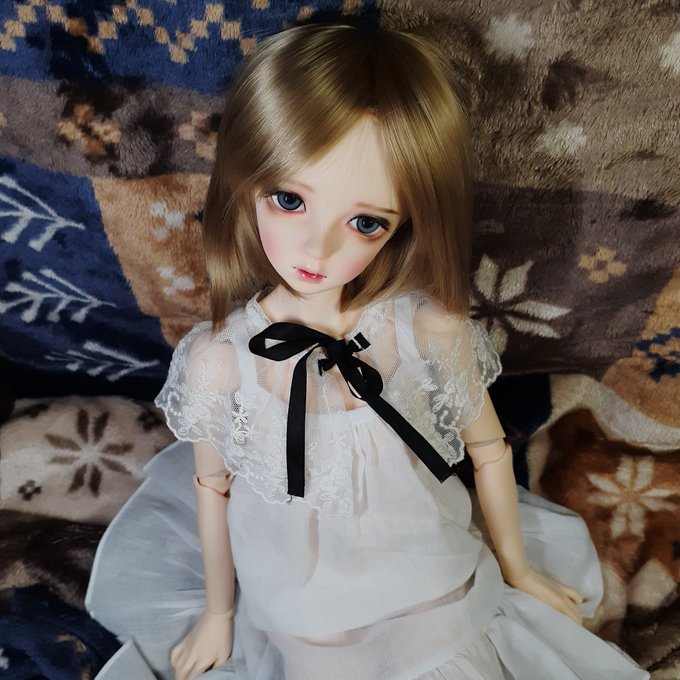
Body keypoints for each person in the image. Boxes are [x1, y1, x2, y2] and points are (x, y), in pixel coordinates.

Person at [85, 22, 649, 680]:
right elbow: (213, 488)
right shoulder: (221, 362)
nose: (318, 248)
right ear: (245, 182)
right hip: (295, 596)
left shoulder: (425, 332)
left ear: (404, 223)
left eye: (365, 222)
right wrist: (219, 613)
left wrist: (518, 569)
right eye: (289, 200)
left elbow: (490, 451)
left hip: (424, 565)